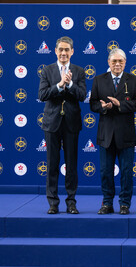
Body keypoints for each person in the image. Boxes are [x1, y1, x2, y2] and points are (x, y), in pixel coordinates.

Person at [90, 48, 136, 215]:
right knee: (105, 171)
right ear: (108, 62)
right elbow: (92, 104)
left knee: (127, 172)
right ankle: (107, 203)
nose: (117, 64)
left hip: (126, 134)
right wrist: (103, 107)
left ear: (125, 62)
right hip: (105, 134)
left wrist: (120, 104)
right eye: (114, 61)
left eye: (120, 61)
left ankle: (124, 204)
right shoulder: (99, 80)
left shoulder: (134, 80)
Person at [38, 36, 86, 214]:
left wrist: (70, 84)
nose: (64, 53)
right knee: (52, 164)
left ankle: (71, 202)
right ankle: (53, 202)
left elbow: (82, 95)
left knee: (71, 164)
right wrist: (59, 85)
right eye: (61, 50)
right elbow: (42, 94)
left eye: (67, 50)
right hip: (52, 124)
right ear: (55, 51)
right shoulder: (47, 70)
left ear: (72, 51)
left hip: (71, 124)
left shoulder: (79, 71)